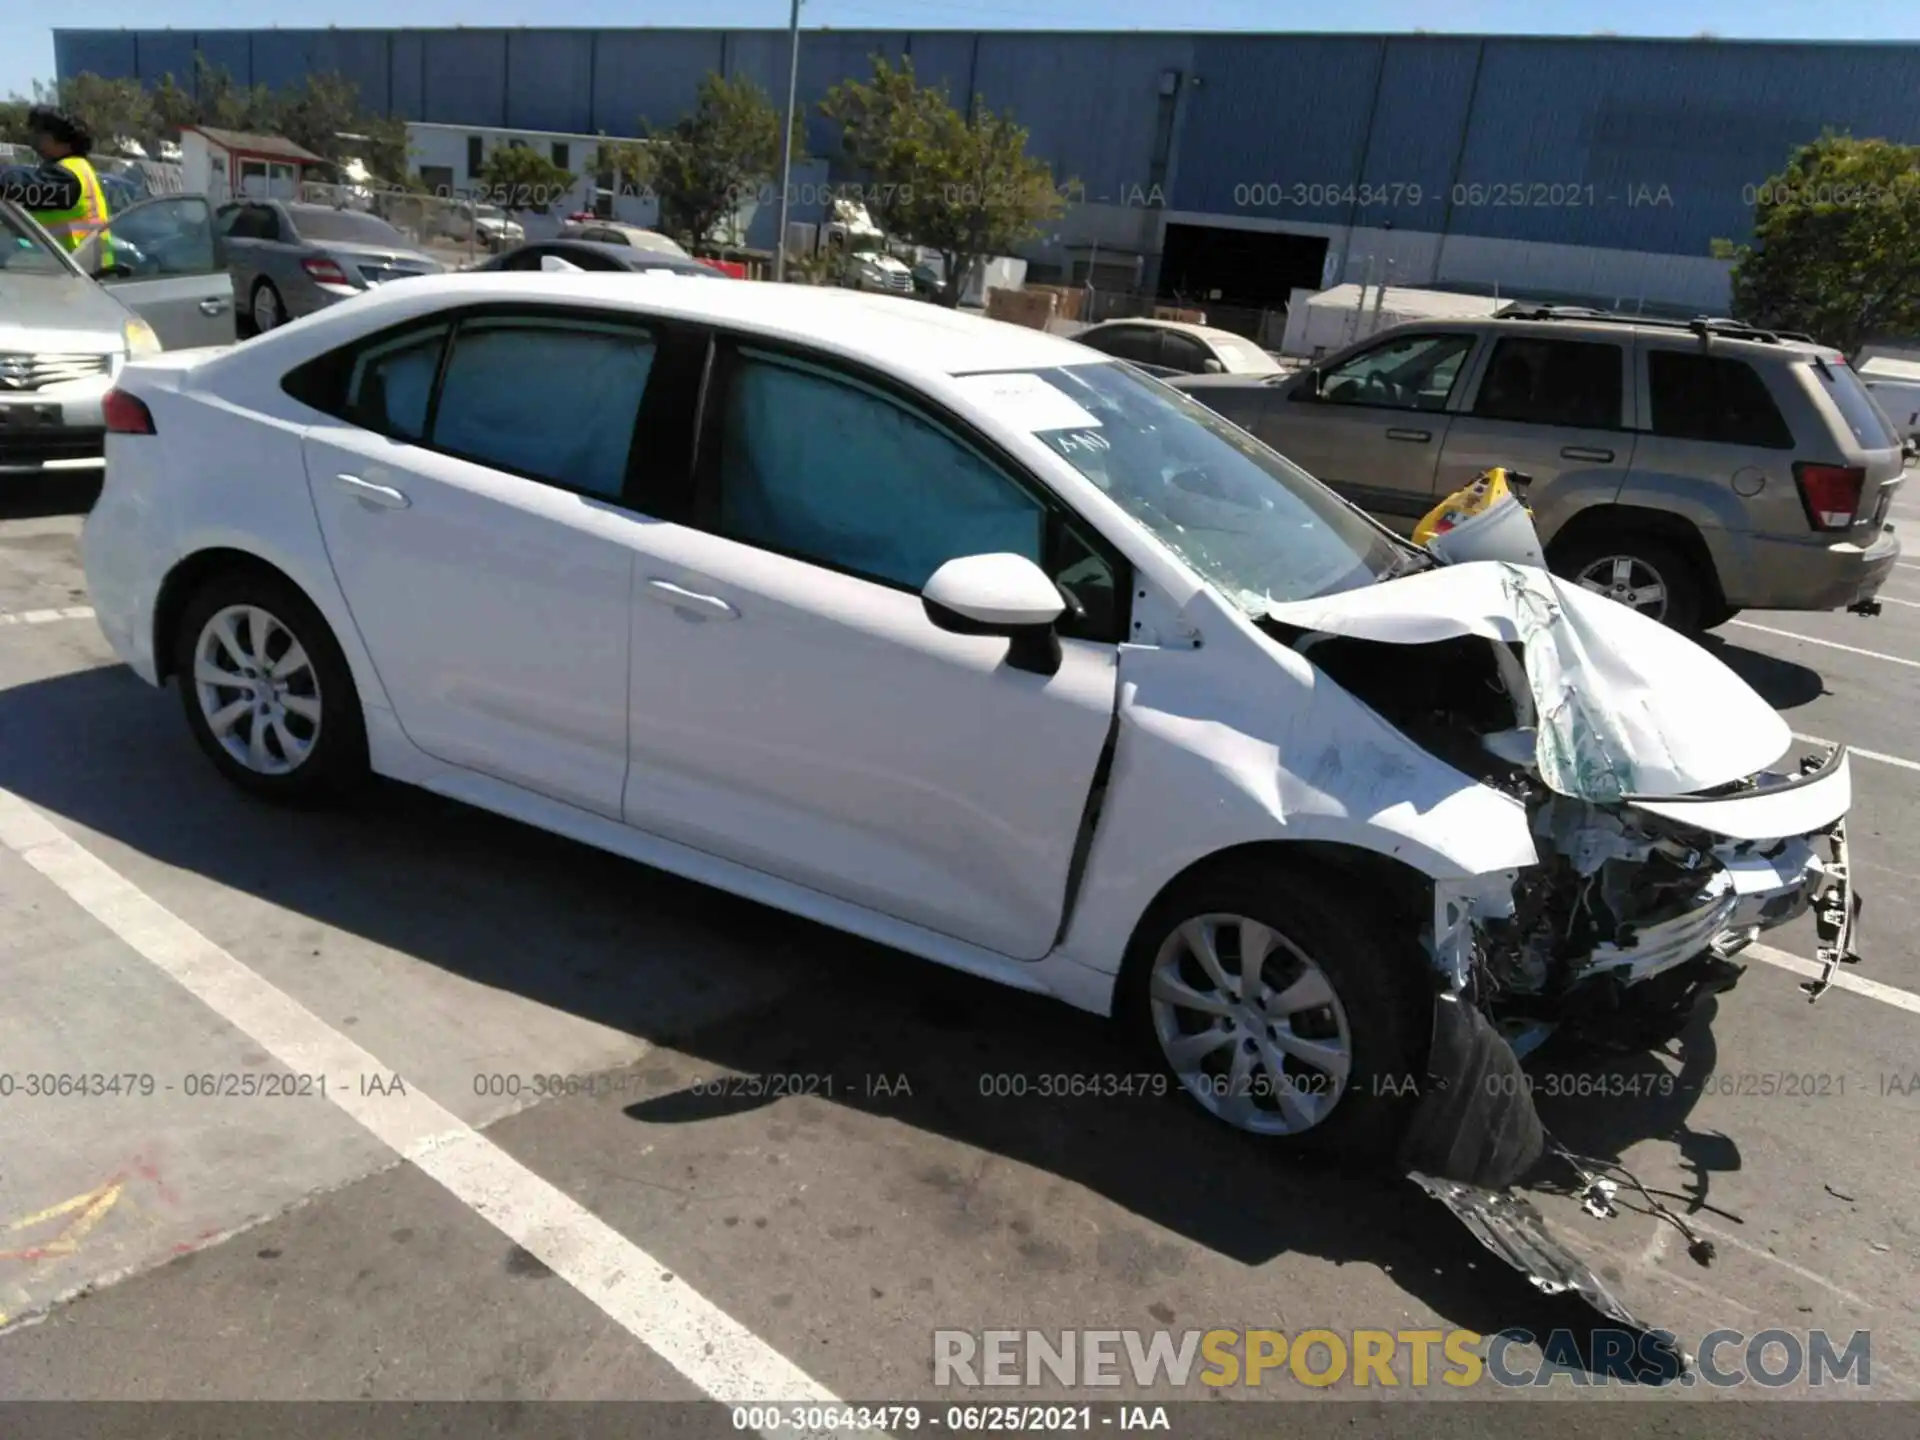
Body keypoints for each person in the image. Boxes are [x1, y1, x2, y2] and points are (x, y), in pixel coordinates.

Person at [0, 106, 114, 266]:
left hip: (78, 276)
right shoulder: (76, 167)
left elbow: (18, 186)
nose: (33, 140)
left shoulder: (67, 176)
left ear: (59, 137)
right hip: (77, 273)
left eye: (39, 133)